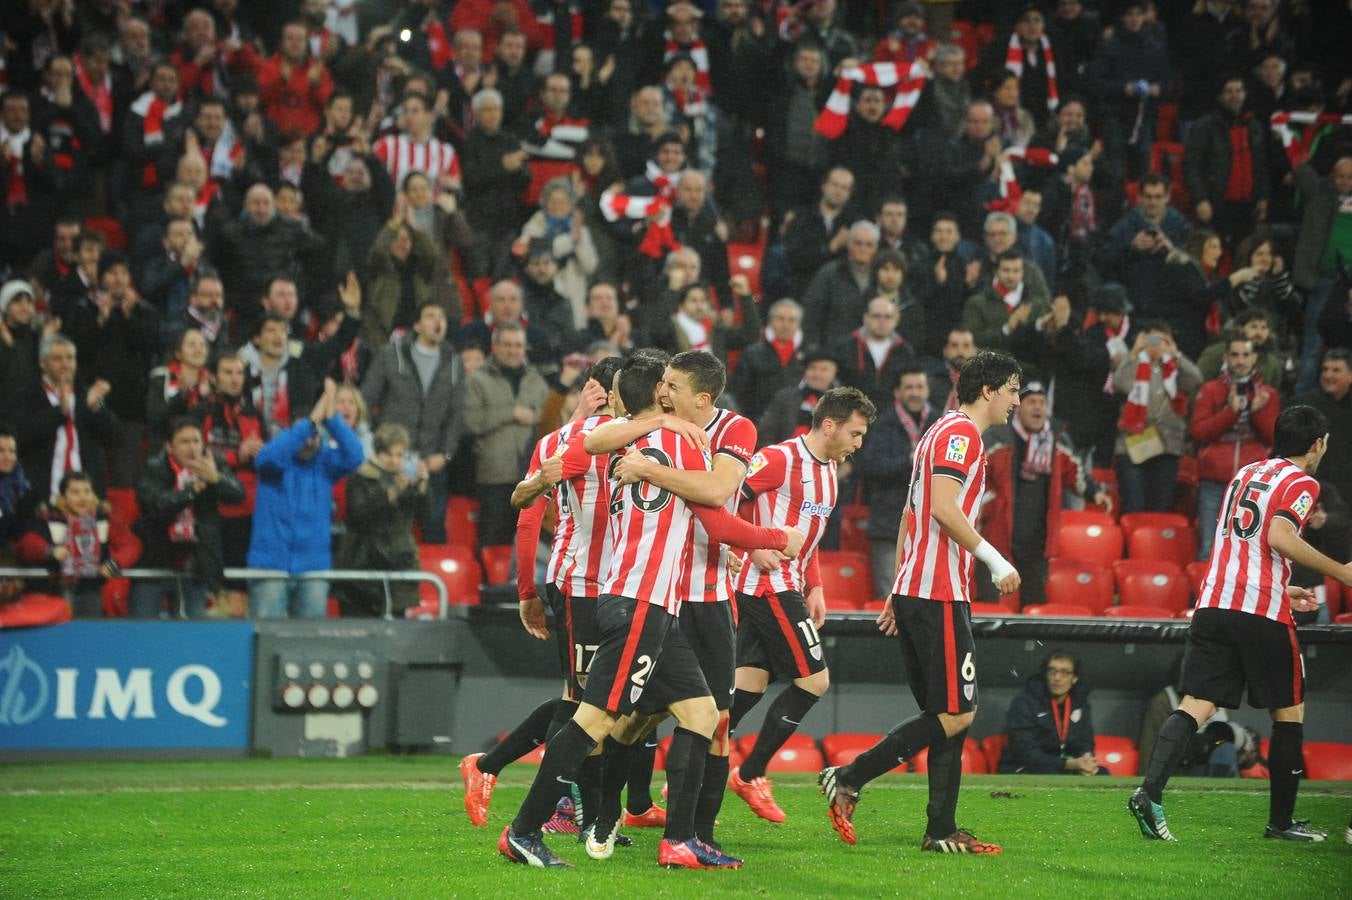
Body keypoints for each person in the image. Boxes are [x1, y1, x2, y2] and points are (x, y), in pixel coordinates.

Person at [498, 351, 801, 870]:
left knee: (703, 713)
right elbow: (722, 521)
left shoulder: (629, 439)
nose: (668, 391)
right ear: (661, 395)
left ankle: (679, 840)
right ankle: (525, 831)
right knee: (594, 720)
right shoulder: (677, 446)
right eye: (664, 386)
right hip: (640, 601)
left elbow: (589, 442)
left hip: (651, 605)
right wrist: (781, 537)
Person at [819, 350, 1023, 853]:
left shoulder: (938, 429)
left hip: (918, 587)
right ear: (989, 391)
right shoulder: (962, 435)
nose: (1017, 401)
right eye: (1014, 390)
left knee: (944, 711)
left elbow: (913, 512)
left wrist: (896, 586)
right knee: (957, 713)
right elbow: (942, 508)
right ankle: (850, 776)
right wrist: (996, 561)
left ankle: (940, 829)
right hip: (938, 591)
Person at [1129, 405, 1352, 844]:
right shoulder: (1303, 481)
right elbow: (1278, 537)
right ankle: (1281, 823)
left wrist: (1283, 585)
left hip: (1215, 602)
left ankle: (1149, 792)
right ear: (1317, 444)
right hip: (1260, 612)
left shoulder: (1246, 472)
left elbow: (1242, 542)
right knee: (1289, 712)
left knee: (1197, 702)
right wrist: (1342, 572)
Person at [590, 350, 763, 847]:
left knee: (712, 721)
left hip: (706, 596)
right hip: (655, 593)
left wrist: (648, 471)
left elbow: (716, 490)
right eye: (661, 382)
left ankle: (696, 836)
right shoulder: (649, 425)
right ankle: (611, 819)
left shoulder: (736, 430)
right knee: (633, 717)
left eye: (671, 386)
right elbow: (595, 438)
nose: (661, 392)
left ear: (702, 398)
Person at [461, 357, 624, 832]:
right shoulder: (570, 444)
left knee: (595, 702)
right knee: (584, 703)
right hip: (581, 584)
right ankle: (575, 811)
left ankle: (579, 808)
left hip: (617, 585)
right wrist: (527, 589)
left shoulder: (621, 439)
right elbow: (528, 511)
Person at [727, 387, 876, 824]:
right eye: (855, 432)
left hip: (791, 584)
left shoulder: (830, 471)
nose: (858, 443)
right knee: (815, 682)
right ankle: (749, 774)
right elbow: (728, 497)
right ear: (828, 424)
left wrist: (817, 586)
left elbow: (808, 538)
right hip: (766, 585)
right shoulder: (778, 458)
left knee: (747, 689)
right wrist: (753, 547)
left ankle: (692, 771)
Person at [981, 382, 1108, 606]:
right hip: (997, 531)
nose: (1037, 408)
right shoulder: (998, 437)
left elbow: (1074, 469)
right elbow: (976, 470)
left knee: (1034, 600)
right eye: (1031, 402)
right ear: (1018, 406)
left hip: (1037, 537)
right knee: (989, 599)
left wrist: (1094, 491)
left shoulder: (1055, 442)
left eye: (1042, 402)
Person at [247, 378, 363, 619]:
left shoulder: (325, 462)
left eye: (314, 434)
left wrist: (330, 417)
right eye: (305, 434)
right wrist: (310, 423)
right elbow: (266, 459)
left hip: (313, 568)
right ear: (292, 433)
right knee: (266, 639)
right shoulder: (274, 459)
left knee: (309, 644)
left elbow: (355, 456)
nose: (310, 439)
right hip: (271, 567)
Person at [360, 302, 462, 545]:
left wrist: (445, 454)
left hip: (431, 462)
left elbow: (457, 415)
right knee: (383, 528)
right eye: (430, 316)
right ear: (416, 325)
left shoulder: (454, 361)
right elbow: (365, 401)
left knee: (434, 531)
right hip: (390, 461)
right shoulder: (390, 354)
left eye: (442, 316)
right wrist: (375, 448)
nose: (438, 321)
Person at [131, 418, 244, 619]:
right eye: (184, 442)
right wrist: (193, 490)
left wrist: (216, 478)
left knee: (191, 635)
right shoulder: (154, 467)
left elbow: (238, 494)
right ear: (170, 447)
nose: (192, 447)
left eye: (196, 441)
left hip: (197, 564)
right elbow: (157, 505)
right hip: (156, 562)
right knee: (141, 632)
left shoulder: (213, 464)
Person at [1190, 338, 1281, 562]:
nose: (1240, 361)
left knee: (1249, 553)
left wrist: (1258, 412)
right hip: (1214, 481)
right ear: (1226, 357)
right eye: (1235, 355)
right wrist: (1230, 413)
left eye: (1245, 355)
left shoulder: (1268, 394)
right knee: (1209, 550)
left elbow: (1274, 439)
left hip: (1252, 484)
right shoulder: (1210, 390)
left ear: (1255, 358)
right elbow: (1199, 432)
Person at [462, 323, 549, 549]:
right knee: (493, 542)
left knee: (529, 544)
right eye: (507, 344)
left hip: (532, 478)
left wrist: (535, 416)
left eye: (518, 345)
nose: (513, 350)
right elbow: (471, 422)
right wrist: (510, 413)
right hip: (494, 478)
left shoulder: (536, 380)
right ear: (495, 346)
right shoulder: (477, 380)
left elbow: (549, 418)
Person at [7, 336, 121, 505]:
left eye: (70, 358)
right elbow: (19, 438)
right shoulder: (25, 396)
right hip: (42, 494)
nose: (65, 364)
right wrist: (59, 413)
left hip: (86, 495)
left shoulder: (87, 393)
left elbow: (116, 437)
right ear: (42, 363)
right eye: (57, 359)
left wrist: (94, 409)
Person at [855, 367, 937, 598]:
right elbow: (869, 467)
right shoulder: (882, 425)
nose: (915, 393)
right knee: (889, 597)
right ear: (897, 392)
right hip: (888, 525)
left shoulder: (939, 422)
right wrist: (909, 462)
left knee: (926, 597)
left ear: (928, 390)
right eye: (909, 387)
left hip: (930, 526)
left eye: (919, 387)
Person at [336, 423, 428, 617]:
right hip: (362, 570)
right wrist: (392, 493)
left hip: (399, 566)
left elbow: (426, 514)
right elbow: (360, 516)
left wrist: (423, 486)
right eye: (389, 454)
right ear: (377, 452)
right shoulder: (360, 478)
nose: (394, 461)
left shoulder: (407, 479)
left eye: (399, 455)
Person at [1113, 323, 1203, 514]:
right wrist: (1134, 353)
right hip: (1132, 445)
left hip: (1167, 445)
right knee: (1133, 505)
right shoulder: (1137, 363)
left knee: (1159, 507)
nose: (1157, 345)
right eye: (1152, 340)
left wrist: (1176, 355)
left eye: (1163, 341)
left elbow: (1196, 379)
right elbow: (1120, 382)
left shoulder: (1175, 368)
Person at [17, 472, 132, 618]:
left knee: (89, 636)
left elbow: (131, 545)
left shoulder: (103, 518)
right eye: (75, 492)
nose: (83, 497)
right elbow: (26, 543)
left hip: (91, 592)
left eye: (87, 491)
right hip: (55, 591)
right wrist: (51, 551)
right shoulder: (49, 518)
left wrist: (113, 565)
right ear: (63, 497)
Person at [999, 651, 1108, 776]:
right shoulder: (1025, 701)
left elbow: (1085, 741)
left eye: (1065, 673)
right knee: (1050, 772)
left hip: (1064, 766)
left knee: (1102, 773)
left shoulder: (1080, 702)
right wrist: (1068, 764)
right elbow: (1025, 751)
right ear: (1046, 675)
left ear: (1074, 678)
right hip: (1026, 767)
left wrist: (1087, 759)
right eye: (1052, 671)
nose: (1057, 678)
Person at [727, 299, 806, 424]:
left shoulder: (808, 357)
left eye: (792, 320)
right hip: (756, 423)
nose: (786, 325)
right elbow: (736, 393)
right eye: (780, 319)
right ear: (770, 321)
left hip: (795, 425)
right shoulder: (752, 353)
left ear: (798, 325)